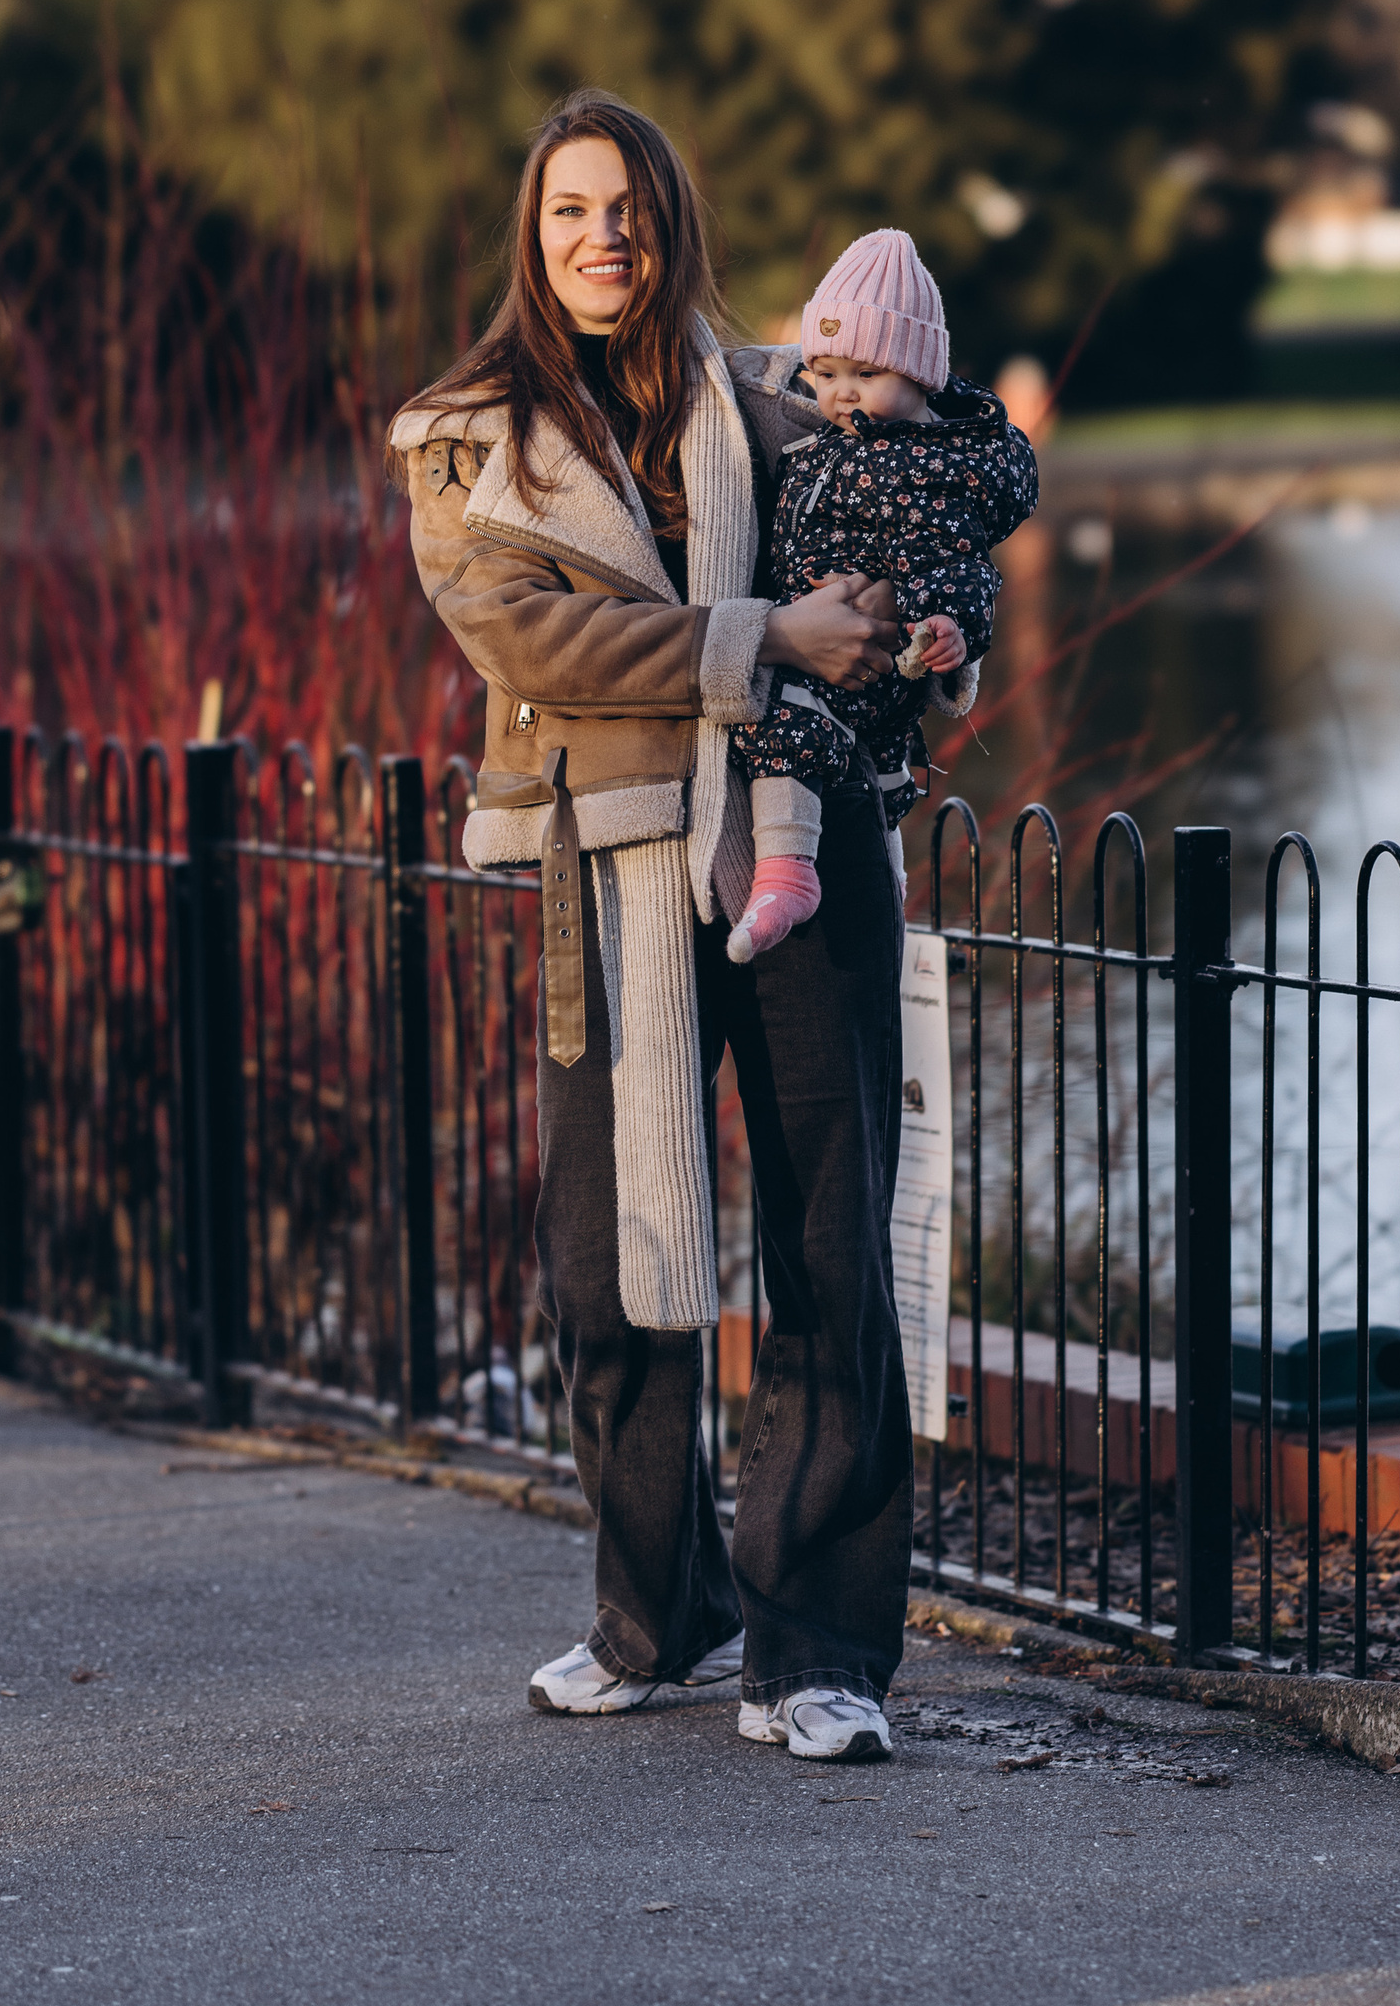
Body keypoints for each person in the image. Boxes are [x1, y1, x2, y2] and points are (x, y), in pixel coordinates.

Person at [387, 90, 912, 1763]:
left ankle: (817, 1654)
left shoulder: (777, 404)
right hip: (606, 867)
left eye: (626, 207)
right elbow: (530, 641)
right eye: (570, 210)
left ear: (669, 223)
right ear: (532, 237)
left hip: (802, 842)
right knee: (606, 1267)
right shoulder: (463, 440)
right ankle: (654, 1614)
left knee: (831, 1251)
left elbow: (898, 555)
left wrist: (913, 626)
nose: (602, 235)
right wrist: (766, 637)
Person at [726, 228, 1040, 962]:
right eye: (825, 371)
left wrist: (948, 623)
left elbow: (953, 561)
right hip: (830, 632)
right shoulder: (847, 442)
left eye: (865, 372)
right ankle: (883, 884)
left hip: (861, 652)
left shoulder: (923, 467)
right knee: (878, 770)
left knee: (781, 719)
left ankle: (784, 874)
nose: (840, 391)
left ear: (921, 373)